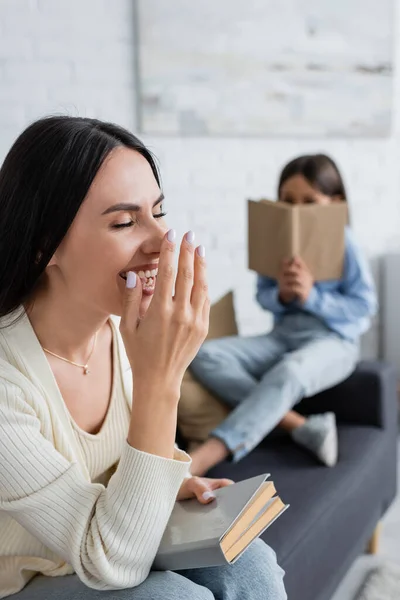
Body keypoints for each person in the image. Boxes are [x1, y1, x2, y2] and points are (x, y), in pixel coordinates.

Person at [0, 116, 287, 600]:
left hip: (102, 540)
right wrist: (162, 377)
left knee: (249, 560)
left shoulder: (120, 331)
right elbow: (111, 563)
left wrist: (171, 483)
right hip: (25, 582)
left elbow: (119, 474)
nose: (161, 243)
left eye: (159, 212)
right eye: (125, 222)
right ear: (44, 245)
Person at [189, 154, 377, 476]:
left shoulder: (346, 243)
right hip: (283, 334)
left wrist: (312, 297)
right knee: (205, 354)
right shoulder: (276, 239)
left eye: (309, 201)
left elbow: (364, 307)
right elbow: (262, 296)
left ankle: (210, 453)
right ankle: (300, 426)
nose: (297, 210)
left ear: (335, 203)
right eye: (288, 201)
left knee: (290, 371)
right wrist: (282, 295)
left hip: (334, 340)